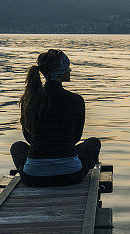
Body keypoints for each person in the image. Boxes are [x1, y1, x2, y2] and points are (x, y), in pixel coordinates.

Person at [10, 49, 101, 187]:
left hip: (33, 178)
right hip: (71, 175)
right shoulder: (76, 100)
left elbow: (28, 137)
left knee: (17, 146)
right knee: (93, 143)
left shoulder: (29, 100)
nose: (70, 70)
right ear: (60, 72)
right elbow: (76, 137)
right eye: (67, 67)